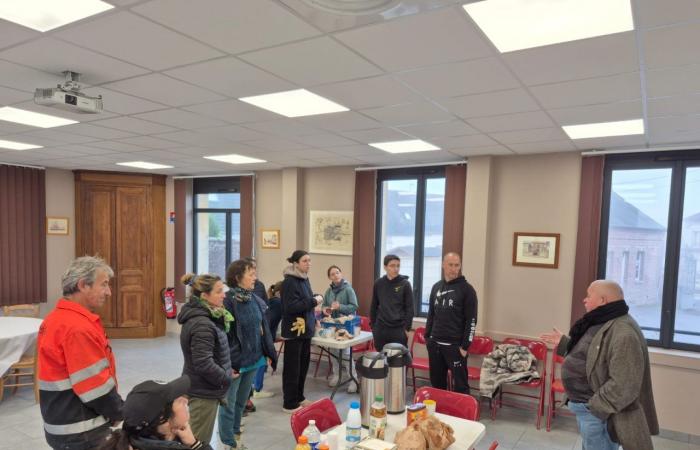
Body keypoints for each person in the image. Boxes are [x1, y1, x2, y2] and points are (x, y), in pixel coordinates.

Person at [540, 280, 659, 450]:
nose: (584, 300)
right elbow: (594, 356)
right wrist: (566, 344)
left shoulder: (624, 332)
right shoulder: (603, 320)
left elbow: (624, 385)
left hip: (597, 413)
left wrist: (594, 407)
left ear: (603, 300)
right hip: (589, 409)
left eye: (589, 296)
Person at [38, 256, 124, 450]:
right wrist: (119, 412)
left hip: (62, 423)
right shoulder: (76, 328)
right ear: (83, 285)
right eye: (104, 285)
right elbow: (95, 388)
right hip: (81, 431)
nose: (109, 292)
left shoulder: (55, 318)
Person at [218, 259, 278, 450]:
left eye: (255, 273)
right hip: (235, 361)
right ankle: (228, 442)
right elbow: (224, 337)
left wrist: (267, 351)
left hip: (253, 358)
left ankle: (236, 437)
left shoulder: (253, 298)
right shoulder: (227, 301)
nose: (255, 278)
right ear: (237, 278)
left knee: (241, 403)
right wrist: (228, 364)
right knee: (229, 404)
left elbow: (262, 328)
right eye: (250, 274)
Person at [178, 273, 232, 446]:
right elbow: (203, 363)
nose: (224, 295)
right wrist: (225, 377)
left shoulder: (209, 317)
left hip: (202, 385)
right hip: (203, 391)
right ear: (204, 296)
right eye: (219, 291)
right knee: (198, 443)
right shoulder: (202, 323)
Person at [99, 375, 213, 450]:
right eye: (178, 400)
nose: (185, 400)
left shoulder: (128, 439)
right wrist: (196, 445)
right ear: (162, 418)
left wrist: (191, 442)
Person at [425, 252, 478, 394]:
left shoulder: (467, 290)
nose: (454, 269)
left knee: (461, 386)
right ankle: (439, 414)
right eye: (450, 265)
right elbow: (431, 314)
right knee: (437, 384)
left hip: (455, 347)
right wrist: (427, 338)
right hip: (435, 345)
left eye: (457, 265)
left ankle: (461, 415)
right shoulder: (436, 287)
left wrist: (465, 347)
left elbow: (471, 321)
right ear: (443, 265)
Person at [281, 250, 323, 413]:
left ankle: (299, 397)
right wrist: (314, 301)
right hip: (294, 331)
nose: (308, 264)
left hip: (305, 331)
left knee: (303, 366)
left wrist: (314, 316)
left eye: (309, 260)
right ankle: (289, 403)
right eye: (305, 261)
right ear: (295, 263)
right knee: (292, 369)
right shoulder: (290, 282)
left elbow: (305, 302)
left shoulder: (304, 279)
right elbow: (291, 307)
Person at [322, 265, 360, 392]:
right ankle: (337, 375)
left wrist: (340, 307)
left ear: (341, 274)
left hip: (346, 326)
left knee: (346, 355)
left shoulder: (348, 289)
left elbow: (354, 306)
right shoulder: (328, 291)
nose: (336, 275)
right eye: (332, 274)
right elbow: (324, 306)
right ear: (329, 277)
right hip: (332, 325)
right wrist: (326, 311)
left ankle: (354, 380)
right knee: (333, 353)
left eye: (337, 273)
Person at [370, 254, 414, 352]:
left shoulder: (405, 284)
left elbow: (410, 308)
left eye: (398, 265)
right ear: (385, 267)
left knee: (397, 363)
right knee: (382, 361)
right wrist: (373, 327)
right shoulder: (379, 283)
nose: (396, 268)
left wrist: (407, 329)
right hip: (381, 329)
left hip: (398, 330)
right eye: (392, 266)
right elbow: (374, 306)